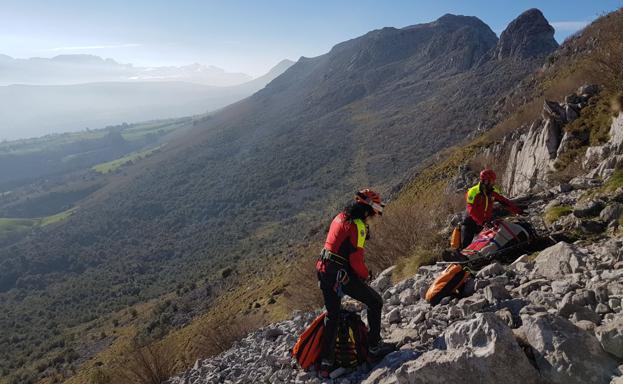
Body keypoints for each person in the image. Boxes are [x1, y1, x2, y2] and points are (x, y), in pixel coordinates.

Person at [315, 189, 395, 377]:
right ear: (368, 210)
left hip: (323, 269)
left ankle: (327, 362)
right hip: (341, 275)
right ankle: (374, 348)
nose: (373, 217)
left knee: (332, 314)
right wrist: (366, 275)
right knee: (375, 302)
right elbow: (356, 262)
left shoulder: (340, 217)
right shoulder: (357, 225)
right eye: (373, 213)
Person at [460, 169, 523, 249]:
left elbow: (505, 202)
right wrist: (483, 222)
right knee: (466, 245)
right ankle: (461, 256)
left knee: (486, 244)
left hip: (485, 222)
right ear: (485, 181)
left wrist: (519, 211)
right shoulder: (473, 192)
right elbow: (471, 210)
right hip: (471, 222)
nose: (493, 183)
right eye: (492, 181)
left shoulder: (492, 192)